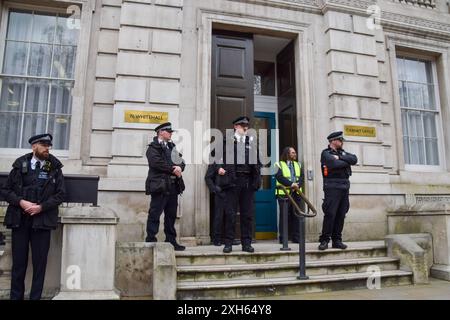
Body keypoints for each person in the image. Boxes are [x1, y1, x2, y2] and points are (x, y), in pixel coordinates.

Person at [1, 133, 65, 300]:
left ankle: (35, 297)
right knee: (18, 264)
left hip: (42, 221)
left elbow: (60, 194)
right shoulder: (19, 165)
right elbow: (6, 191)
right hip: (19, 220)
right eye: (44, 145)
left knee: (40, 264)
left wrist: (41, 207)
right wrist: (21, 202)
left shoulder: (54, 167)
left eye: (49, 145)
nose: (47, 148)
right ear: (34, 146)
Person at [221, 116, 261, 253]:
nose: (246, 128)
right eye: (243, 125)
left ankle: (246, 243)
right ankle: (228, 243)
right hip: (233, 180)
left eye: (247, 125)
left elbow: (257, 161)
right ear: (235, 127)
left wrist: (257, 178)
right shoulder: (226, 141)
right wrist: (219, 168)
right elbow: (214, 158)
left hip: (247, 181)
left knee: (247, 214)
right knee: (230, 214)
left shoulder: (251, 142)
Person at [145, 122, 186, 251]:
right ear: (161, 132)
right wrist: (173, 169)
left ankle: (171, 240)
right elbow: (156, 163)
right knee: (155, 213)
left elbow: (182, 161)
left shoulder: (172, 146)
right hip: (160, 186)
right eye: (169, 131)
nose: (171, 134)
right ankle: (151, 239)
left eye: (171, 132)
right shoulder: (153, 148)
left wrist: (180, 167)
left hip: (173, 186)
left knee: (171, 215)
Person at [318, 131, 357, 251]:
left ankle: (337, 240)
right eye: (340, 140)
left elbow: (354, 159)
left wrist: (340, 157)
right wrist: (345, 162)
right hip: (332, 186)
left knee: (341, 214)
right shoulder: (326, 153)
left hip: (344, 186)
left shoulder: (342, 153)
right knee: (330, 214)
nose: (342, 142)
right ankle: (324, 240)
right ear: (333, 141)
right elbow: (333, 164)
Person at [274, 147, 303, 244]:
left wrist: (297, 185)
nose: (295, 154)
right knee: (284, 216)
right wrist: (291, 184)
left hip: (296, 193)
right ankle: (283, 238)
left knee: (296, 215)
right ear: (287, 153)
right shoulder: (278, 164)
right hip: (284, 194)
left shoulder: (298, 164)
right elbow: (279, 177)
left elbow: (301, 178)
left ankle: (296, 237)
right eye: (293, 152)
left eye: (295, 152)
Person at [204, 163, 234, 246]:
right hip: (220, 193)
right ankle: (216, 239)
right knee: (218, 216)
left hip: (231, 193)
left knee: (230, 215)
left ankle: (229, 238)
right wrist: (214, 189)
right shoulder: (215, 162)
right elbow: (207, 177)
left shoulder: (233, 161)